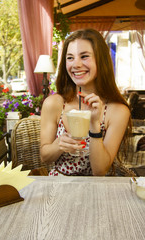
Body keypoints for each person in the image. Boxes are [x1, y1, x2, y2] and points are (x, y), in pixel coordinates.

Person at [40, 29, 131, 176]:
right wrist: (59, 144)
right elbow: (45, 157)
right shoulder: (54, 103)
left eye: (84, 56)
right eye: (70, 58)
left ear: (100, 60)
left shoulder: (118, 111)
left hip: (98, 191)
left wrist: (94, 125)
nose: (75, 64)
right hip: (58, 188)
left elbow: (100, 171)